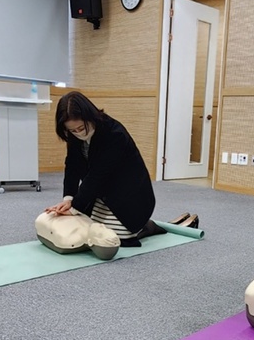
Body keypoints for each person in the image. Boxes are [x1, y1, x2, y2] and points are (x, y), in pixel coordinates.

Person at [45, 91, 165, 247]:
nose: (78, 133)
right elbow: (72, 166)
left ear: (90, 117)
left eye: (81, 128)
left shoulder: (114, 134)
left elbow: (98, 175)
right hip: (102, 192)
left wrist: (76, 207)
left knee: (113, 239)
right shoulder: (73, 135)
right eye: (72, 131)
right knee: (87, 229)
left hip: (129, 194)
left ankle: (146, 226)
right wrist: (68, 199)